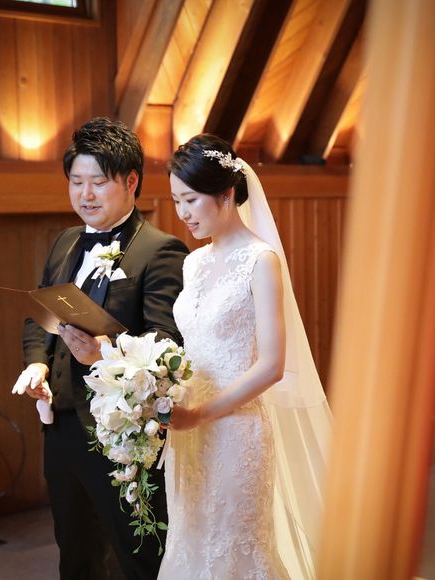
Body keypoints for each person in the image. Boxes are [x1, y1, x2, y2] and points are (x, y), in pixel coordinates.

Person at [11, 117, 189, 580]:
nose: (85, 194)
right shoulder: (65, 241)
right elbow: (40, 314)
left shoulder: (162, 250)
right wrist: (37, 364)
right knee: (75, 554)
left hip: (122, 435)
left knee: (136, 557)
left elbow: (167, 344)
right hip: (61, 427)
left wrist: (106, 355)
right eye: (76, 182)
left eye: (98, 182)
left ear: (131, 182)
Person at [157, 134, 331, 579]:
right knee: (189, 543)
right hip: (187, 433)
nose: (182, 213)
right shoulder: (193, 263)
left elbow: (272, 366)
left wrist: (200, 414)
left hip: (236, 433)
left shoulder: (261, 260)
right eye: (176, 201)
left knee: (233, 551)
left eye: (191, 200)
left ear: (226, 194)